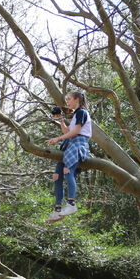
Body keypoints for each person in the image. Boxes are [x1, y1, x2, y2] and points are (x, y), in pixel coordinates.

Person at [44, 91, 93, 222]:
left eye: (69, 99)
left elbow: (76, 132)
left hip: (78, 143)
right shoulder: (75, 115)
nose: (67, 102)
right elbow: (68, 132)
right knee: (57, 176)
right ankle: (58, 210)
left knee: (68, 171)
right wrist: (60, 120)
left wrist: (57, 139)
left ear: (77, 99)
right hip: (69, 144)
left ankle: (71, 204)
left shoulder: (82, 112)